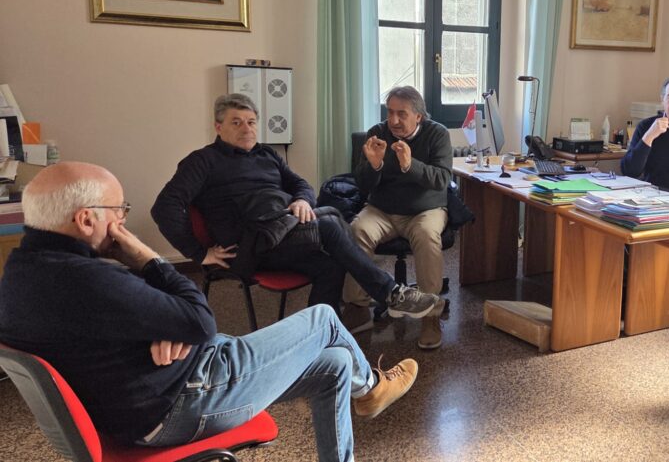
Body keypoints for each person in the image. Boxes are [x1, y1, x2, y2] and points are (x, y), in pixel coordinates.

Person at [0, 162, 418, 461]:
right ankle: (372, 389)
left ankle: (359, 394)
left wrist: (170, 326)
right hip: (184, 403)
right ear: (86, 219)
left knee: (336, 364)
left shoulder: (22, 272)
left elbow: (136, 318)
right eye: (119, 211)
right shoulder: (89, 279)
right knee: (324, 318)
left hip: (150, 396)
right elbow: (201, 320)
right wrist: (148, 258)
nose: (123, 224)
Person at [151, 93, 439, 325]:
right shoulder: (202, 161)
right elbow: (164, 207)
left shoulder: (266, 154)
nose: (246, 129)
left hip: (282, 234)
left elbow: (301, 184)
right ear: (218, 127)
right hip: (248, 245)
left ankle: (320, 336)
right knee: (330, 225)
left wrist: (302, 200)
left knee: (331, 263)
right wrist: (199, 253)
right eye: (236, 122)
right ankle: (391, 293)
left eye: (251, 122)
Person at [342, 86, 452, 350]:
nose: (394, 120)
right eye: (390, 112)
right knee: (357, 230)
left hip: (425, 209)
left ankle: (430, 315)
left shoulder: (437, 134)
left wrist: (409, 165)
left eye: (402, 114)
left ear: (418, 116)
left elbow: (442, 179)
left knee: (427, 235)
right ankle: (357, 308)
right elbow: (362, 184)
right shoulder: (377, 133)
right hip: (383, 210)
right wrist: (374, 165)